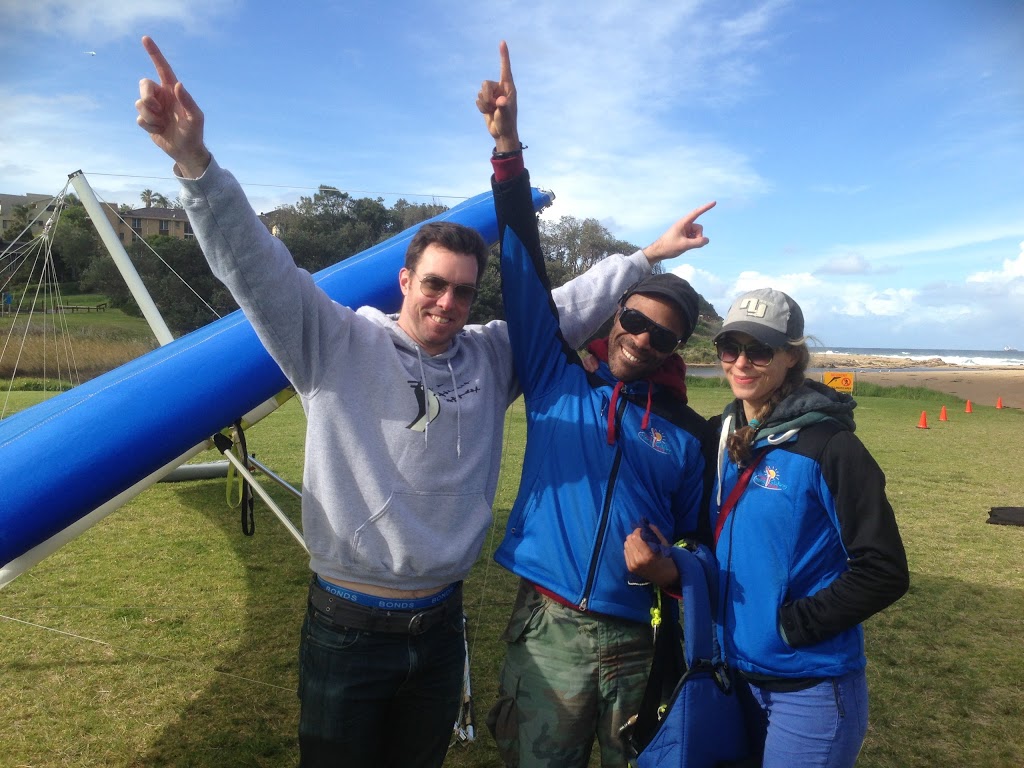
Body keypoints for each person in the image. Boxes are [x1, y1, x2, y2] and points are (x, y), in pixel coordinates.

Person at [135, 36, 690, 768]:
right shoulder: (331, 343)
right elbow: (256, 268)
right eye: (434, 284)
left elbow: (560, 306)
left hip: (439, 620)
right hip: (348, 624)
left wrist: (642, 261)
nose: (449, 302)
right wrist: (197, 168)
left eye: (464, 289)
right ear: (405, 282)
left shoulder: (493, 356)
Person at [477, 42, 716, 767]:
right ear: (613, 317)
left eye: (664, 339)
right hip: (546, 628)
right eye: (634, 322)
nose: (643, 342)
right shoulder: (556, 377)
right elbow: (523, 265)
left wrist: (671, 568)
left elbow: (704, 543)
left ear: (677, 354)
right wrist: (509, 151)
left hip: (635, 642)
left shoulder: (689, 436)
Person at [638, 287, 910, 768]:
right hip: (730, 678)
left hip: (809, 690)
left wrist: (790, 626)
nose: (741, 362)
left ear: (791, 356)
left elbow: (883, 570)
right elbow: (718, 544)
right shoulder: (723, 439)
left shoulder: (831, 448)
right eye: (730, 348)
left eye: (759, 349)